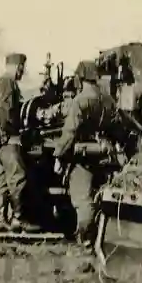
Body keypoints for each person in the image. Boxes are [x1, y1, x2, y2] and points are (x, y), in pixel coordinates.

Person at [52, 60, 121, 245]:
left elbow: (70, 132)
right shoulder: (108, 100)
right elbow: (117, 128)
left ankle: (86, 239)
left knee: (83, 199)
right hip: (105, 155)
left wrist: (59, 156)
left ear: (80, 78)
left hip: (83, 156)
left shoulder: (80, 101)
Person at [0, 52, 29, 227]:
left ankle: (0, 219)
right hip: (8, 138)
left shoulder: (2, 82)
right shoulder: (7, 83)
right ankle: (18, 218)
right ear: (16, 66)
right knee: (18, 177)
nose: (22, 71)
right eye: (21, 67)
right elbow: (2, 110)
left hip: (2, 138)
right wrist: (11, 133)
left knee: (4, 179)